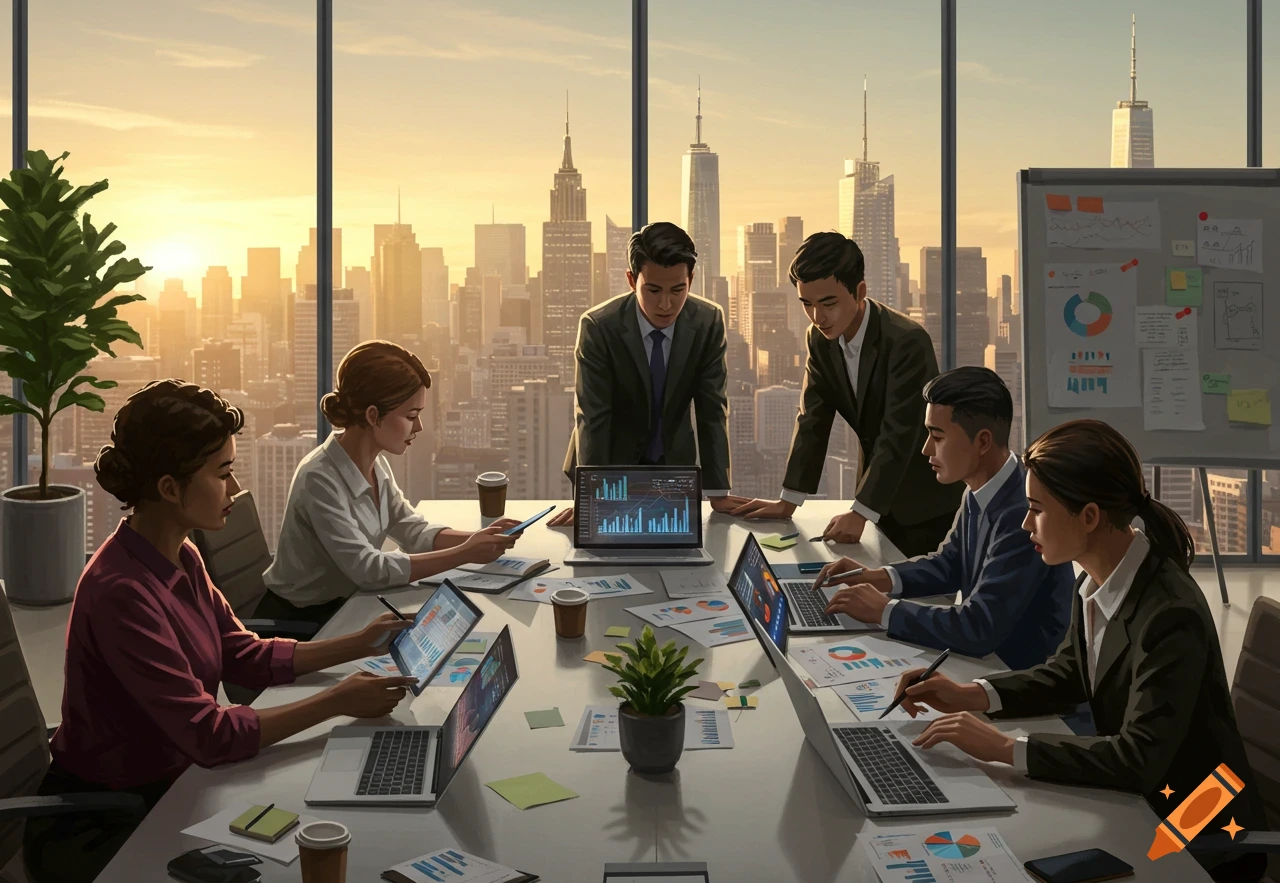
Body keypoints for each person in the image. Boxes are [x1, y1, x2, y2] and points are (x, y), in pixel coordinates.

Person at [23, 380, 420, 883]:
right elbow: (208, 736)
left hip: (180, 787)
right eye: (223, 474)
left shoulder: (181, 555)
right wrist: (337, 701)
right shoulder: (121, 592)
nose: (234, 491)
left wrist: (361, 642)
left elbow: (242, 654)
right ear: (169, 488)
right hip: (109, 818)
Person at [890, 419, 1267, 883]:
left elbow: (1137, 758)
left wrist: (1004, 748)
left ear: (1089, 516)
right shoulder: (1094, 578)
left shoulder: (1170, 614)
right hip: (1140, 806)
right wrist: (971, 694)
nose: (1026, 523)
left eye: (1036, 509)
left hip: (1196, 831)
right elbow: (1071, 672)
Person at [814, 367, 1074, 670]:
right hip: (984, 664)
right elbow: (950, 564)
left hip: (1015, 677)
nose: (926, 449)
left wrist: (884, 611)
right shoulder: (984, 487)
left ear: (982, 442)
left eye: (937, 436)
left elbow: (978, 627)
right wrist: (876, 577)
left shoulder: (1022, 513)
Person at [729, 232, 963, 558]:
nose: (817, 317)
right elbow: (813, 417)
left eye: (828, 303)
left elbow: (899, 434)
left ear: (860, 292)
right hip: (877, 502)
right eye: (807, 304)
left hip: (924, 504)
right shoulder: (819, 339)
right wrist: (788, 500)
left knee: (920, 599)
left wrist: (861, 511)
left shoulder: (907, 341)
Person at [260, 340, 523, 628]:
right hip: (303, 623)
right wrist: (465, 553)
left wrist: (481, 537)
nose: (419, 427)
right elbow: (369, 569)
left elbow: (412, 530)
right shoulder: (319, 478)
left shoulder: (375, 464)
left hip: (349, 606)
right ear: (373, 416)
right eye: (411, 416)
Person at [547, 222, 745, 528]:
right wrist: (592, 495)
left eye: (677, 290)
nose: (666, 304)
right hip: (608, 462)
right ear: (631, 279)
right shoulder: (599, 327)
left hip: (673, 469)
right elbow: (593, 416)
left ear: (690, 280)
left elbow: (712, 409)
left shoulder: (707, 321)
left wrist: (718, 491)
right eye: (653, 290)